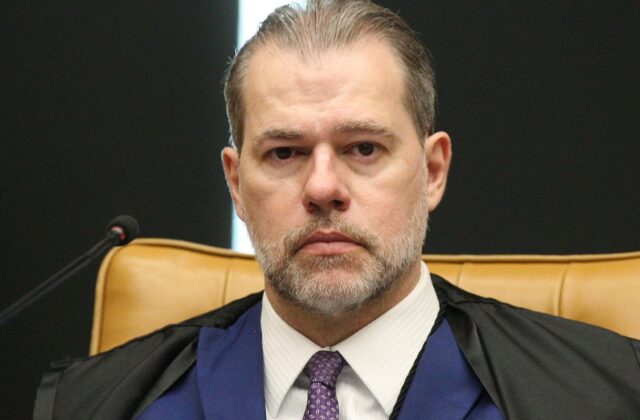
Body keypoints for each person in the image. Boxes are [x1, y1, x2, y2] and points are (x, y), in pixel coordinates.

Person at [35, 1, 640, 419]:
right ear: (236, 183)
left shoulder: (607, 396)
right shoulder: (98, 405)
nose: (323, 188)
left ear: (433, 171)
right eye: (285, 152)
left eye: (364, 148)